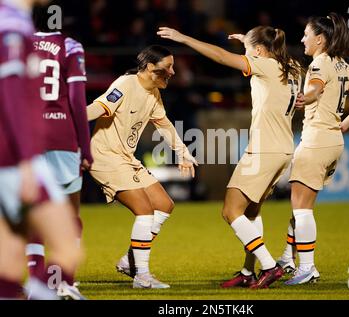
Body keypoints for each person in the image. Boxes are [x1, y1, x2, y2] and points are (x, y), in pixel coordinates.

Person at [158, 26, 303, 289]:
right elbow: (266, 49)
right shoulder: (291, 65)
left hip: (264, 150)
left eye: (250, 50)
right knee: (250, 212)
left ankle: (270, 266)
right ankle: (248, 272)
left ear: (259, 51)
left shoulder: (265, 64)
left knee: (230, 211)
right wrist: (248, 42)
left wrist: (185, 38)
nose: (246, 54)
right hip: (283, 149)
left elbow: (222, 57)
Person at [276, 13, 349, 285]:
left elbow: (316, 90)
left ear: (320, 39)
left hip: (316, 142)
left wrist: (304, 98)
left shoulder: (319, 63)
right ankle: (288, 256)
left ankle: (307, 268)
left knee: (301, 208)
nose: (302, 39)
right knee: (302, 204)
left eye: (306, 35)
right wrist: (345, 123)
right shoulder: (342, 64)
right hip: (334, 142)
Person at [87, 45, 198, 289]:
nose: (172, 72)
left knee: (164, 205)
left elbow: (164, 125)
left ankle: (129, 261)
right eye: (168, 67)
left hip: (126, 158)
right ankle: (142, 275)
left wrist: (183, 153)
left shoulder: (153, 93)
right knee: (145, 211)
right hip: (105, 157)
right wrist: (73, 115)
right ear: (150, 68)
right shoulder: (125, 84)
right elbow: (99, 107)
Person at [0, 0, 84, 300]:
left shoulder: (21, 28)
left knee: (19, 233)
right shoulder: (13, 24)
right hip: (27, 148)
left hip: (22, 146)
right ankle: (55, 285)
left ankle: (37, 287)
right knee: (65, 229)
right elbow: (12, 91)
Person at [25, 5, 92, 285]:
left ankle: (37, 285)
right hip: (63, 136)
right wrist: (85, 148)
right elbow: (77, 101)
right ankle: (65, 282)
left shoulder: (20, 46)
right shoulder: (71, 46)